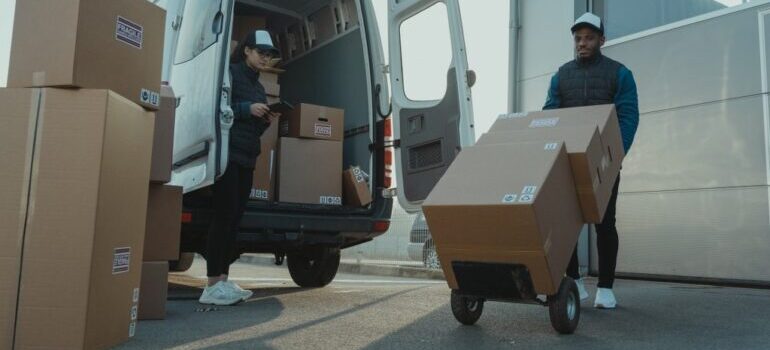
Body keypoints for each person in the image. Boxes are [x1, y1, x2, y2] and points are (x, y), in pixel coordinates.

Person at [543, 13, 639, 309]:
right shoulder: (561, 75)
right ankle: (574, 281)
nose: (582, 43)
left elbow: (628, 116)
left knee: (604, 223)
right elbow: (550, 114)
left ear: (601, 40)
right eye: (578, 39)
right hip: (567, 162)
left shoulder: (619, 73)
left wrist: (615, 155)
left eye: (589, 38)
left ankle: (606, 289)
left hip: (604, 164)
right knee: (566, 223)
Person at [199, 30, 282, 306]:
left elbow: (252, 129)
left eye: (269, 56)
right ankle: (211, 284)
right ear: (246, 50)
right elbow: (215, 108)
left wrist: (265, 119)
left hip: (248, 157)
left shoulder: (259, 87)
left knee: (235, 218)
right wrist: (248, 109)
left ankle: (223, 280)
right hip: (227, 155)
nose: (265, 59)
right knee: (223, 216)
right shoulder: (230, 74)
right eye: (261, 53)